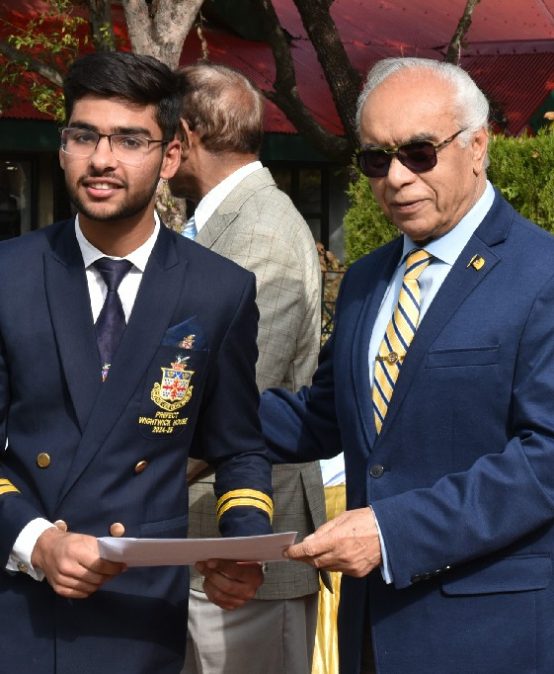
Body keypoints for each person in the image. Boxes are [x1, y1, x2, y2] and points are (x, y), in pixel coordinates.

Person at [258, 56, 554, 674]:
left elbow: (545, 459)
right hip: (371, 633)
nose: (395, 177)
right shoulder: (366, 280)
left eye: (419, 153)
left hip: (491, 637)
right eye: (375, 159)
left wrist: (392, 532)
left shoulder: (540, 273)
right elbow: (323, 418)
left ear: (478, 146)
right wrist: (180, 409)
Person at [0, 51, 274, 674]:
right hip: (18, 598)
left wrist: (244, 544)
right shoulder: (9, 276)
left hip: (139, 613)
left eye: (129, 140)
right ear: (62, 148)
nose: (102, 159)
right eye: (84, 137)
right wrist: (36, 542)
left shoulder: (219, 290)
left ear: (170, 156)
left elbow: (238, 447)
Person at [168, 63, 327, 674]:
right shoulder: (221, 222)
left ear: (186, 134)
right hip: (198, 549)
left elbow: (233, 404)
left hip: (246, 555)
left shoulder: (262, 231)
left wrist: (116, 485)